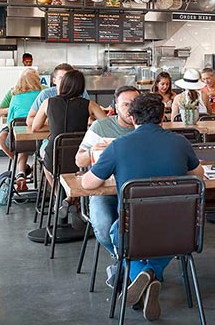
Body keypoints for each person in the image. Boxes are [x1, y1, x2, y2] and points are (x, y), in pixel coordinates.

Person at [82, 94, 203, 322]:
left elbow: (88, 183)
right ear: (162, 117)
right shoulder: (180, 142)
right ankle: (151, 274)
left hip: (134, 230)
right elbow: (198, 175)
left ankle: (143, 274)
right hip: (181, 231)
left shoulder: (119, 145)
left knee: (116, 232)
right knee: (170, 237)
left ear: (132, 117)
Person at [74, 86, 140, 286]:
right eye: (126, 104)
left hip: (137, 193)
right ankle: (130, 263)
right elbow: (79, 161)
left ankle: (126, 267)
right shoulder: (101, 127)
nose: (130, 110)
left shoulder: (146, 127)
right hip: (104, 189)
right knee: (104, 227)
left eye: (135, 105)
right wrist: (93, 150)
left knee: (146, 226)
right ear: (115, 106)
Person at [31, 69, 107, 164]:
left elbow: (35, 127)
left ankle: (54, 179)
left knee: (48, 169)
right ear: (81, 87)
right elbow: (107, 124)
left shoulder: (48, 102)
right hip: (80, 155)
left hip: (53, 155)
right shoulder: (90, 105)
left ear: (63, 84)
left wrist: (55, 127)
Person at [0, 69, 44, 191]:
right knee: (30, 140)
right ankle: (34, 168)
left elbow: (10, 121)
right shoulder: (44, 93)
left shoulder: (15, 95)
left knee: (20, 142)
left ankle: (21, 173)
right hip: (40, 136)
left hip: (19, 138)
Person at [27, 63, 90, 129]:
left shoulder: (81, 93)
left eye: (68, 79)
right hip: (50, 136)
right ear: (54, 80)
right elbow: (29, 120)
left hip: (78, 137)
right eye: (61, 78)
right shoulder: (45, 94)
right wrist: (51, 122)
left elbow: (91, 116)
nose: (65, 82)